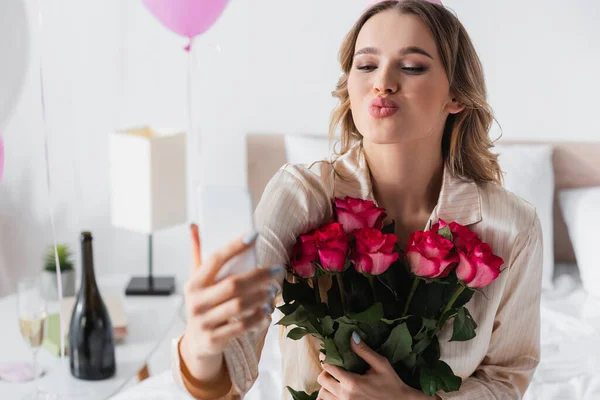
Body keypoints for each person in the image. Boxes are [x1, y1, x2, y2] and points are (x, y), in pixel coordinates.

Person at [173, 1, 543, 399]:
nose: (382, 82)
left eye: (413, 67)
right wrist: (201, 344)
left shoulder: (512, 225)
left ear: (456, 94)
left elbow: (506, 378)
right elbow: (231, 365)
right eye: (366, 66)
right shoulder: (299, 195)